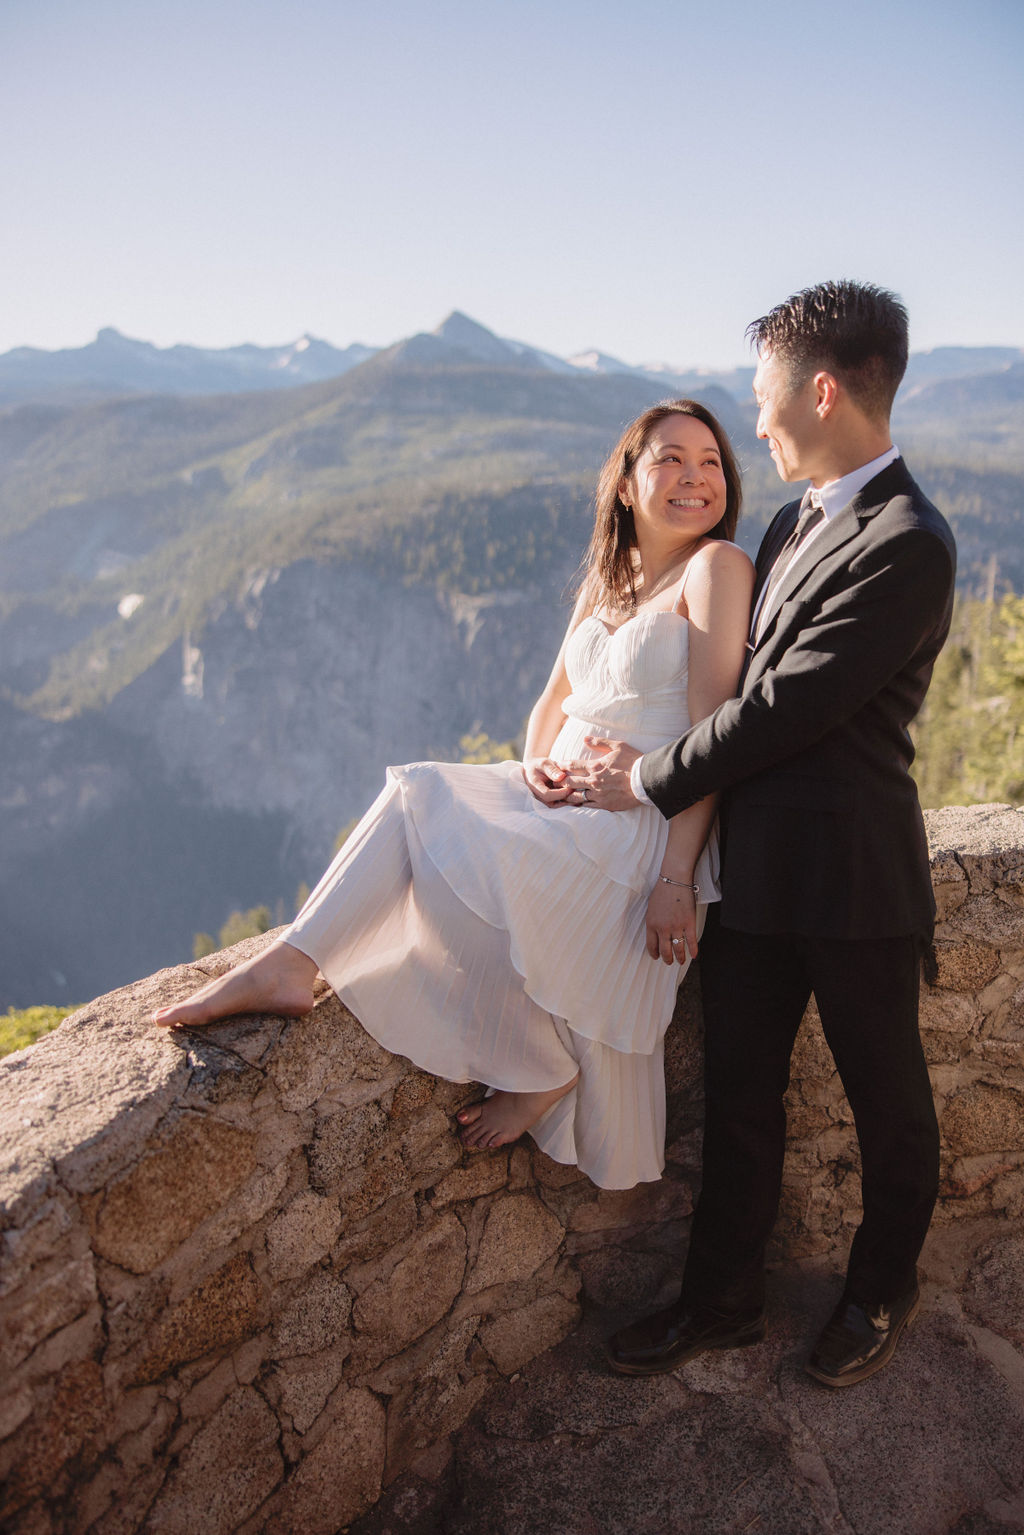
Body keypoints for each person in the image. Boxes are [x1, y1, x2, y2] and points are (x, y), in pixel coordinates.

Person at [153, 400, 755, 1192]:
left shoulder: (715, 569)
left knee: (422, 795)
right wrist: (536, 768)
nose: (694, 477)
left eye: (710, 461)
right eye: (671, 458)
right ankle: (491, 1040)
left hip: (636, 827)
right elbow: (550, 705)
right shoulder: (609, 578)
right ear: (626, 483)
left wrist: (678, 878)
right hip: (562, 801)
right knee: (418, 798)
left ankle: (299, 966)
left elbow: (715, 734)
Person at [569, 281, 956, 1386]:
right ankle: (718, 1301)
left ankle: (879, 1290)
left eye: (764, 397)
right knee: (739, 1098)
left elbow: (782, 711)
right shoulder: (788, 520)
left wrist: (640, 781)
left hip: (853, 881)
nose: (758, 421)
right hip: (755, 874)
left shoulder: (907, 541)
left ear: (822, 390)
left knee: (890, 1106)